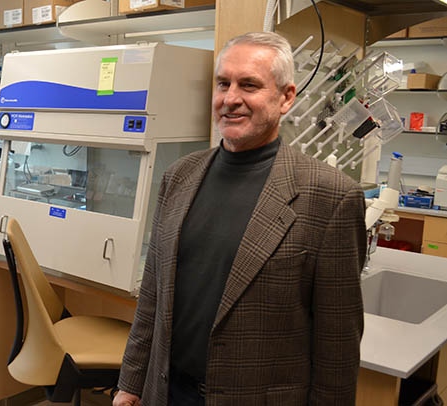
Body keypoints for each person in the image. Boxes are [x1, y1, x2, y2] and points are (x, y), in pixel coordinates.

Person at [113, 32, 366, 405]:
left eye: (249, 85)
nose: (231, 99)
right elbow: (152, 294)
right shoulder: (178, 177)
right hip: (167, 392)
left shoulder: (331, 197)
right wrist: (130, 383)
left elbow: (337, 347)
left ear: (286, 98)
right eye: (223, 84)